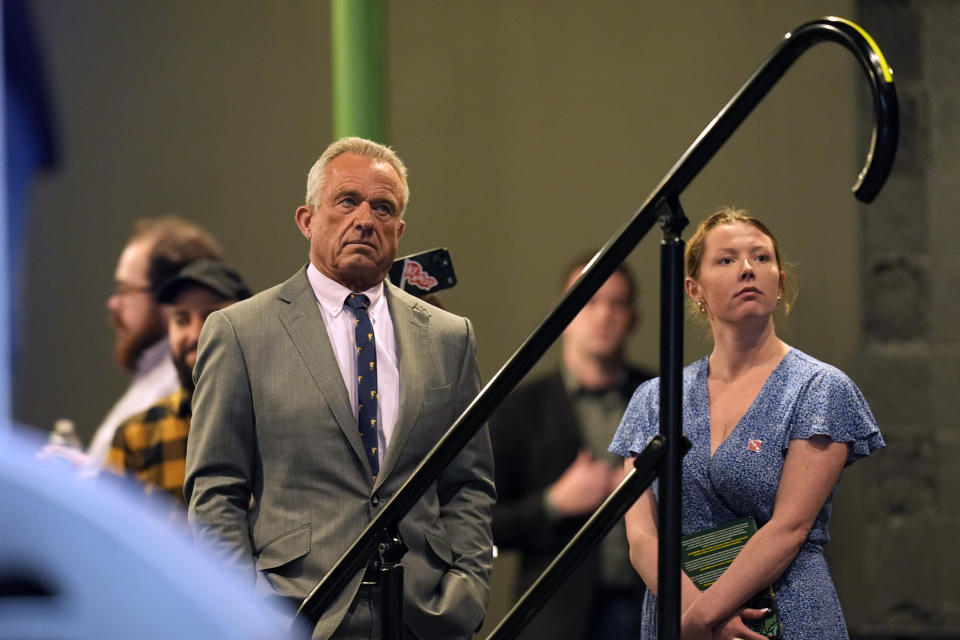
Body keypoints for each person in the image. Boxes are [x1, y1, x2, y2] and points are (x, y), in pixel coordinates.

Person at [184, 137, 496, 640]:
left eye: (384, 207)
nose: (365, 219)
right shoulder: (241, 332)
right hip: (294, 614)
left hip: (423, 615)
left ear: (399, 229)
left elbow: (469, 482)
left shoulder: (449, 336)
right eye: (347, 200)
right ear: (307, 219)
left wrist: (466, 591)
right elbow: (216, 489)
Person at [609, 208, 884, 640]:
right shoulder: (654, 399)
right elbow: (642, 537)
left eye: (761, 258)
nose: (747, 270)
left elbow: (789, 528)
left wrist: (703, 619)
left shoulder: (818, 387)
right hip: (679, 615)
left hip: (784, 614)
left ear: (780, 283)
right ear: (694, 289)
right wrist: (697, 617)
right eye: (726, 259)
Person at [490, 255, 654, 640]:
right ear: (561, 315)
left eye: (616, 303)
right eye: (589, 301)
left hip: (652, 610)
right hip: (555, 618)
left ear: (632, 318)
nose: (603, 315)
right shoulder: (519, 408)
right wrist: (555, 502)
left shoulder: (660, 399)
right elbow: (483, 524)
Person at [105, 260, 252, 509]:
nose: (194, 334)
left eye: (211, 316)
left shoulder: (275, 422)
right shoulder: (136, 437)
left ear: (249, 319)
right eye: (181, 320)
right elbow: (111, 537)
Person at [85, 217, 224, 470]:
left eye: (125, 290)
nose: (114, 303)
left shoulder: (185, 386)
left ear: (169, 299)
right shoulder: (153, 376)